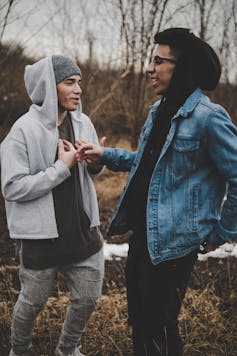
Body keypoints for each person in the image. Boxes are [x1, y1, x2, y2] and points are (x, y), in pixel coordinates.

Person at [76, 28, 237, 355]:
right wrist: (105, 154)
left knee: (159, 327)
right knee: (140, 322)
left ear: (183, 68)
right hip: (144, 234)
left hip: (175, 243)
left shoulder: (208, 118)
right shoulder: (158, 110)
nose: (150, 68)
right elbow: (148, 164)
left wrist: (221, 232)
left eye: (158, 61)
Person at [1, 55, 105, 356]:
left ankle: (68, 350)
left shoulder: (83, 122)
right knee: (31, 304)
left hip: (83, 234)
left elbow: (92, 172)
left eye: (79, 83)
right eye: (69, 83)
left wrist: (97, 162)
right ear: (49, 86)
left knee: (87, 300)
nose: (78, 90)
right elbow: (12, 186)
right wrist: (61, 168)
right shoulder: (22, 131)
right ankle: (19, 351)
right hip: (40, 240)